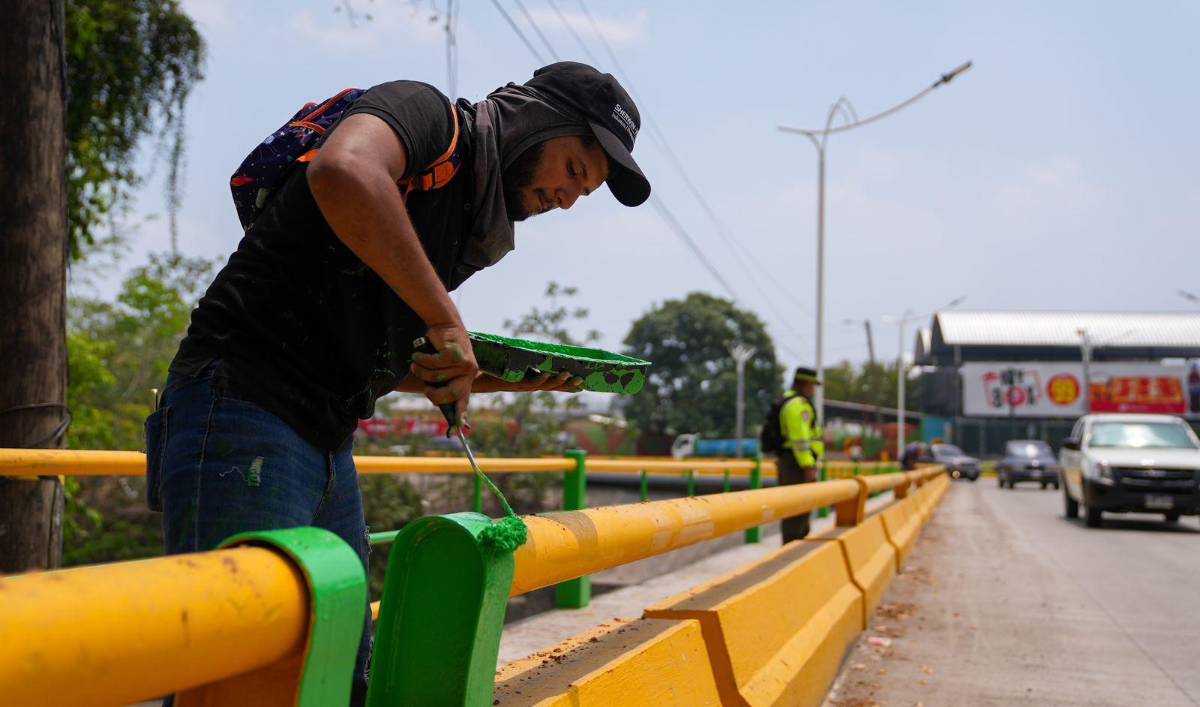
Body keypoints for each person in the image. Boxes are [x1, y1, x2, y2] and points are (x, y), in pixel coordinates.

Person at [143, 61, 650, 704]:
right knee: (235, 678)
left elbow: (371, 347)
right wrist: (444, 316)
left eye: (586, 191)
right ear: (535, 120)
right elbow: (343, 170)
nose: (569, 198)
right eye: (574, 170)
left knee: (342, 675)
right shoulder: (426, 115)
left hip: (329, 438)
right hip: (243, 408)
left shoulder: (467, 223)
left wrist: (476, 377)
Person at [777, 366, 825, 542]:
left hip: (795, 461)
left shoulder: (793, 402)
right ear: (805, 384)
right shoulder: (798, 405)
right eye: (812, 385)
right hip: (797, 464)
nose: (813, 390)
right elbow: (800, 440)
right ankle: (791, 548)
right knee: (796, 509)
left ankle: (796, 545)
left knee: (800, 510)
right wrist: (808, 466)